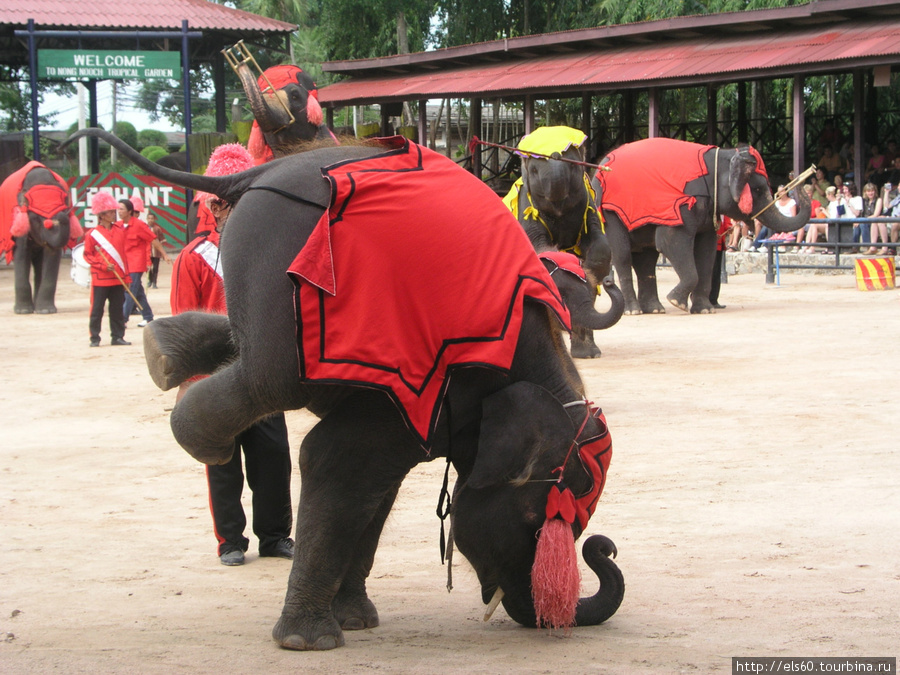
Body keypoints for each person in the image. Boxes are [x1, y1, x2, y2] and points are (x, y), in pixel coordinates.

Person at [170, 143, 294, 567]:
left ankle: (276, 536)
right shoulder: (194, 257)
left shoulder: (273, 250)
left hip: (263, 370)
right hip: (215, 378)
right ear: (214, 206)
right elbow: (185, 323)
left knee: (273, 458)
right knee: (222, 463)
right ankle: (230, 541)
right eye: (226, 203)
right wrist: (189, 383)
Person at [82, 192, 130, 347]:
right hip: (100, 279)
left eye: (113, 211)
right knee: (97, 310)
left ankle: (117, 336)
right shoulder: (92, 234)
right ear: (101, 215)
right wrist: (103, 266)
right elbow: (87, 255)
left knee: (117, 310)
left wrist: (126, 277)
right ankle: (94, 338)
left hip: (117, 278)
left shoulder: (120, 230)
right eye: (110, 212)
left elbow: (123, 255)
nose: (113, 214)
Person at [120, 199, 169, 327]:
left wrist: (164, 254)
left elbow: (153, 240)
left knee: (130, 291)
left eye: (121, 209)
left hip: (136, 263)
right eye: (118, 209)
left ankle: (122, 319)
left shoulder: (139, 225)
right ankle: (148, 317)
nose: (119, 211)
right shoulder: (118, 225)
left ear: (129, 211)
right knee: (138, 291)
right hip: (125, 264)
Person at [861, 183, 885, 254]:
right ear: (865, 192)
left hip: (876, 220)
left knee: (868, 223)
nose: (870, 193)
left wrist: (865, 219)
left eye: (872, 191)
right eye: (868, 191)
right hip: (867, 220)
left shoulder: (879, 200)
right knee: (859, 225)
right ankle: (856, 247)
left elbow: (876, 214)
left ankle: (872, 247)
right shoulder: (864, 201)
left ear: (875, 191)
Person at [146, 211, 166, 289]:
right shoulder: (144, 228)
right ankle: (150, 280)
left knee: (155, 268)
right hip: (147, 252)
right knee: (148, 268)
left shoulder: (157, 229)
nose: (151, 220)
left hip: (156, 253)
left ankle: (154, 282)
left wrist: (161, 250)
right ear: (147, 219)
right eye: (149, 218)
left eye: (152, 218)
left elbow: (162, 240)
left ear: (154, 219)